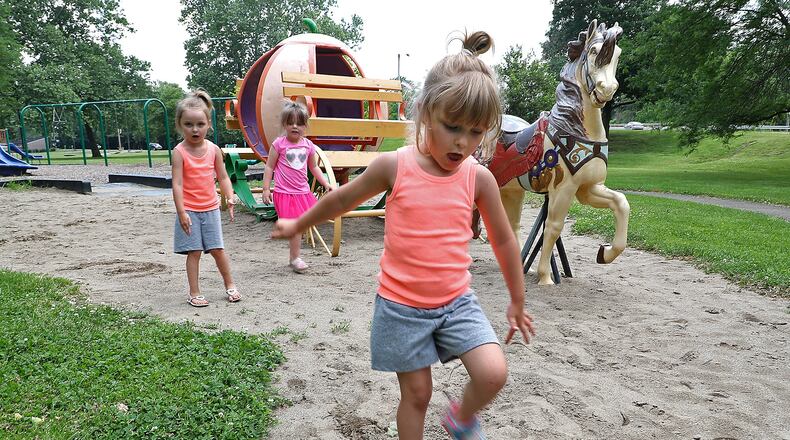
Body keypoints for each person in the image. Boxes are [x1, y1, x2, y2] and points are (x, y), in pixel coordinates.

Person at [272, 31, 535, 439]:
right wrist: (298, 223)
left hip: (456, 303)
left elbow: (502, 241)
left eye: (477, 131)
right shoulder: (394, 166)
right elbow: (341, 199)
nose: (463, 142)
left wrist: (517, 300)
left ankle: (461, 417)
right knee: (417, 394)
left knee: (493, 373)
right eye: (452, 127)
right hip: (401, 307)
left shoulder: (478, 178)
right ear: (427, 113)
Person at [171, 90, 241, 307]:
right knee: (194, 252)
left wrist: (229, 197)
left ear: (208, 124)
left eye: (200, 124)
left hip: (210, 210)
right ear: (180, 125)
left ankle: (230, 285)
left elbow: (222, 177)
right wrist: (182, 212)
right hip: (190, 211)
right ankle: (195, 292)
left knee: (218, 250)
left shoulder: (213, 150)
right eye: (188, 124)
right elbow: (177, 184)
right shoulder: (179, 152)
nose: (194, 129)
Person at [262, 101, 333, 273]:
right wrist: (265, 189)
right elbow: (269, 166)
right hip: (284, 193)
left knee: (302, 224)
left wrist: (325, 182)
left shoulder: (308, 146)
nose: (295, 126)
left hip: (303, 192)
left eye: (300, 123)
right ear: (284, 124)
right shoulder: (279, 144)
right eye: (291, 122)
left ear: (305, 126)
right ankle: (295, 258)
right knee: (295, 226)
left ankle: (288, 241)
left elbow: (314, 167)